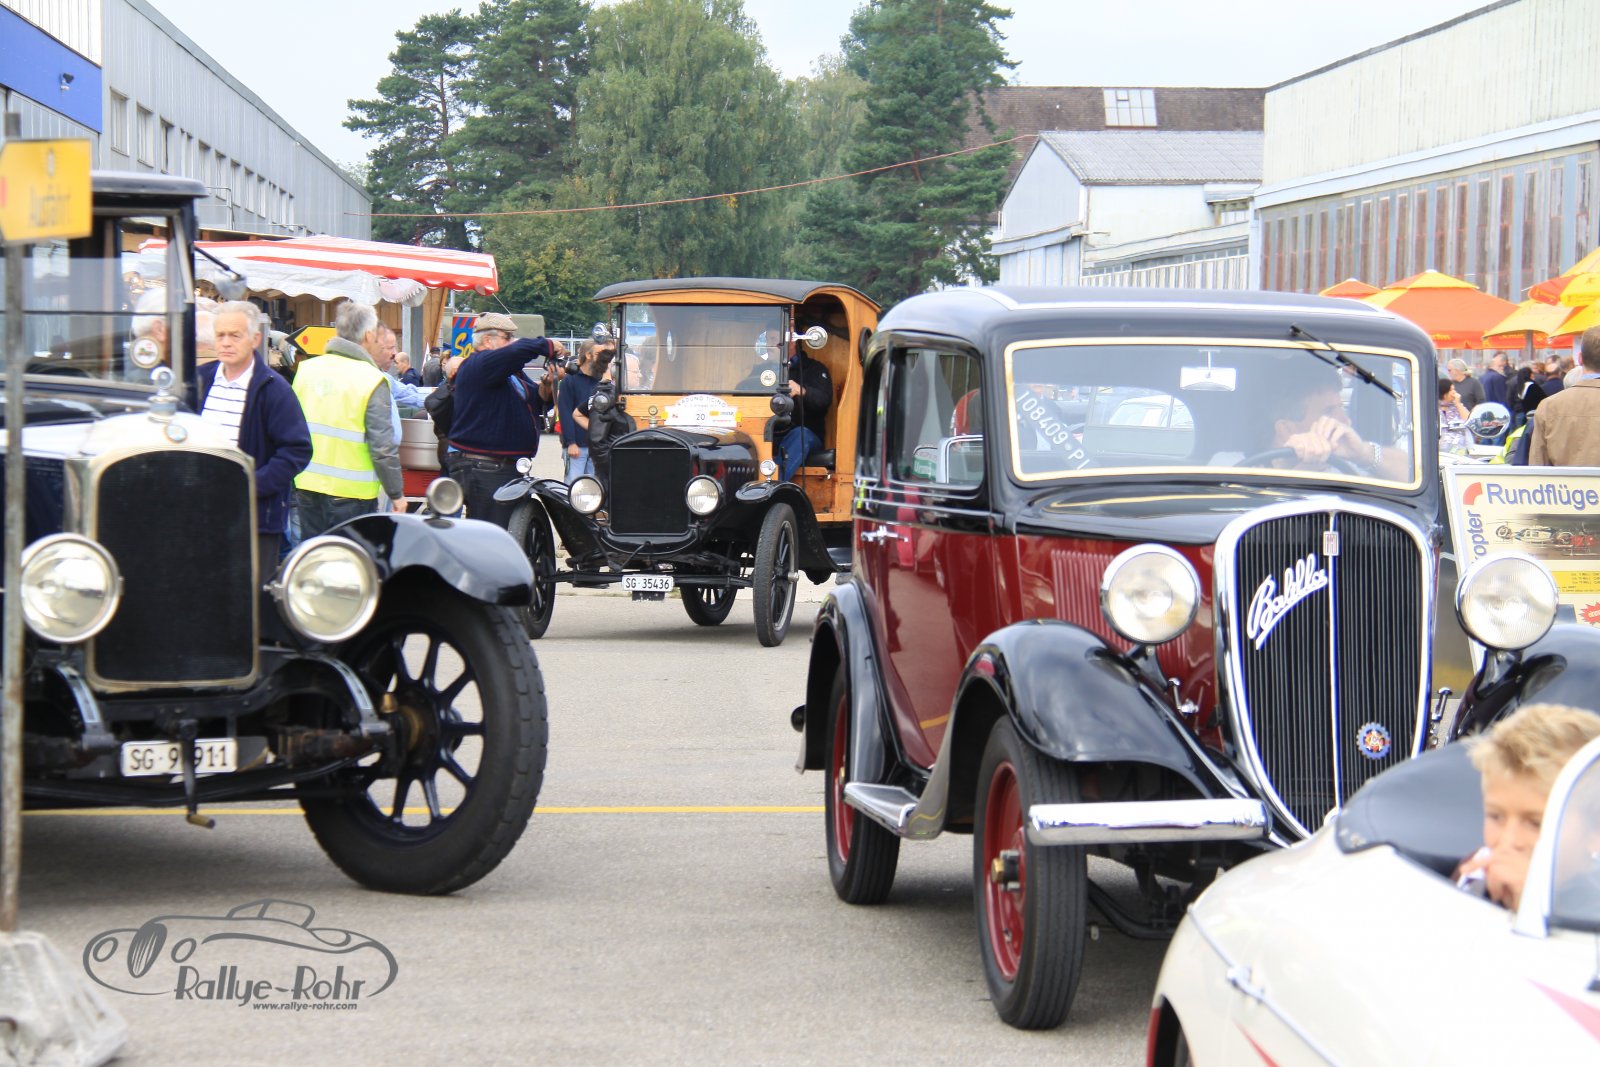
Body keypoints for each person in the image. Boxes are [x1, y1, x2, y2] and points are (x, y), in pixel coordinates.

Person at [1455, 703, 1600, 910]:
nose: (1509, 841)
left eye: (1535, 823)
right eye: (1495, 817)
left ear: (1595, 830)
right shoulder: (1472, 875)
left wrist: (1530, 904)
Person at [200, 301, 312, 569]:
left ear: (255, 339)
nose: (226, 342)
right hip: (201, 512)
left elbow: (297, 450)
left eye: (235, 335)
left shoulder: (274, 390)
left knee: (250, 591)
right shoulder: (199, 381)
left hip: (254, 519)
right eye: (220, 335)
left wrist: (250, 486)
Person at [291, 301, 407, 536]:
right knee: (350, 557)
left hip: (306, 487)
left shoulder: (306, 371)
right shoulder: (372, 379)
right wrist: (396, 493)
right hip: (353, 496)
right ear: (368, 335)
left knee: (314, 554)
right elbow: (383, 447)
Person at [448, 311, 566, 526]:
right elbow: (518, 351)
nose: (512, 342)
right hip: (486, 467)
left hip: (498, 466)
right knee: (492, 534)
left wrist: (548, 384)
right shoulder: (481, 363)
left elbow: (536, 400)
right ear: (487, 340)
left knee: (499, 529)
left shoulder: (507, 374)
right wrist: (547, 345)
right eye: (507, 337)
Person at [1265, 371, 1411, 480]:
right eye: (1328, 411)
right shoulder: (1251, 472)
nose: (1346, 421)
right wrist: (1289, 471)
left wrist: (1363, 453)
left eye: (1340, 408)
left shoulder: (1345, 466)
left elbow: (1413, 475)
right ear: (1287, 429)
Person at [1530, 326, 1600, 466]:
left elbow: (1538, 467)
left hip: (1563, 481)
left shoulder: (1549, 406)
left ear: (1580, 359)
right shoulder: (1548, 406)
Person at [775, 332, 833, 481]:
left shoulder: (815, 368)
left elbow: (823, 400)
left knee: (801, 435)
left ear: (793, 341)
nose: (771, 346)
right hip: (770, 434)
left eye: (775, 340)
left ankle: (773, 485)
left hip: (806, 436)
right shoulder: (763, 371)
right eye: (768, 341)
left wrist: (801, 390)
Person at [557, 338, 608, 483]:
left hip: (596, 448)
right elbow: (565, 412)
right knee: (573, 487)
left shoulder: (601, 381)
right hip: (577, 447)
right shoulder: (570, 380)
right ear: (588, 355)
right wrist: (570, 442)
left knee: (595, 488)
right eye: (599, 354)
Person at [1438, 377, 1470, 453]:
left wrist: (1458, 404)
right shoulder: (1434, 407)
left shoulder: (1457, 406)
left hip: (1459, 450)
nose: (1454, 392)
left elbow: (1469, 420)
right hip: (1440, 451)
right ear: (1444, 393)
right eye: (1451, 390)